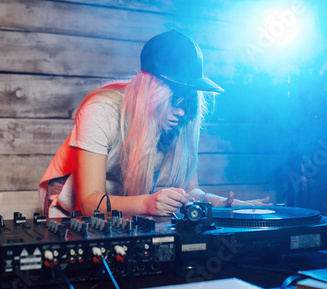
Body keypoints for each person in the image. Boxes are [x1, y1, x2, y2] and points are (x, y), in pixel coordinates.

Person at [38, 30, 269, 218]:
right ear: (152, 90)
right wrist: (148, 204)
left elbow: (189, 189)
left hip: (124, 213)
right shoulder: (101, 110)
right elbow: (89, 202)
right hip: (71, 206)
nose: (181, 111)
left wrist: (214, 201)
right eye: (174, 98)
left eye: (187, 100)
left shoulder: (181, 119)